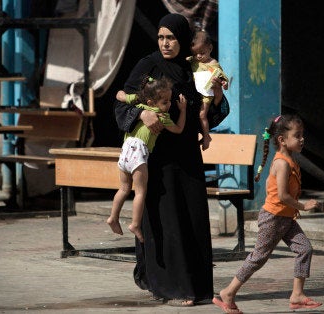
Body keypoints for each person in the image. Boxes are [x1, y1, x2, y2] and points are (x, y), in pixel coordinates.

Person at [114, 13, 228, 306]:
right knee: (165, 221)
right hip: (158, 159)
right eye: (162, 37)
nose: (165, 43)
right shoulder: (149, 64)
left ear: (183, 40)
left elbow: (212, 112)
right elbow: (121, 103)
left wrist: (215, 97)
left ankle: (196, 287)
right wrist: (142, 113)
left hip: (187, 156)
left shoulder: (194, 68)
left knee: (192, 219)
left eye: (172, 38)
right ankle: (170, 287)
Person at [212, 114, 323, 313]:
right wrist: (303, 206)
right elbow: (282, 196)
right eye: (297, 136)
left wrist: (294, 210)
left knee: (304, 249)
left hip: (286, 218)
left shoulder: (291, 160)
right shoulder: (282, 163)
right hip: (273, 218)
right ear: (282, 140)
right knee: (258, 257)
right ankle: (228, 293)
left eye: (302, 135)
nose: (302, 139)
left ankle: (297, 295)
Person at [107, 76, 187, 243]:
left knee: (123, 188)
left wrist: (127, 96)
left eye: (170, 100)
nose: (169, 105)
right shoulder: (161, 116)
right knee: (141, 191)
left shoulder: (138, 106)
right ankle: (135, 224)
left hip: (126, 150)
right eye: (165, 102)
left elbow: (119, 95)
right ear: (151, 102)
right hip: (139, 152)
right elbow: (179, 129)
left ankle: (113, 217)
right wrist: (183, 109)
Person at [188, 29, 227, 150]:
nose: (199, 56)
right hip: (196, 92)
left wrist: (224, 84)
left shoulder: (213, 63)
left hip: (207, 94)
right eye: (196, 53)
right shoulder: (193, 60)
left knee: (202, 115)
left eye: (202, 53)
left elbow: (222, 77)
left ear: (210, 48)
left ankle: (206, 136)